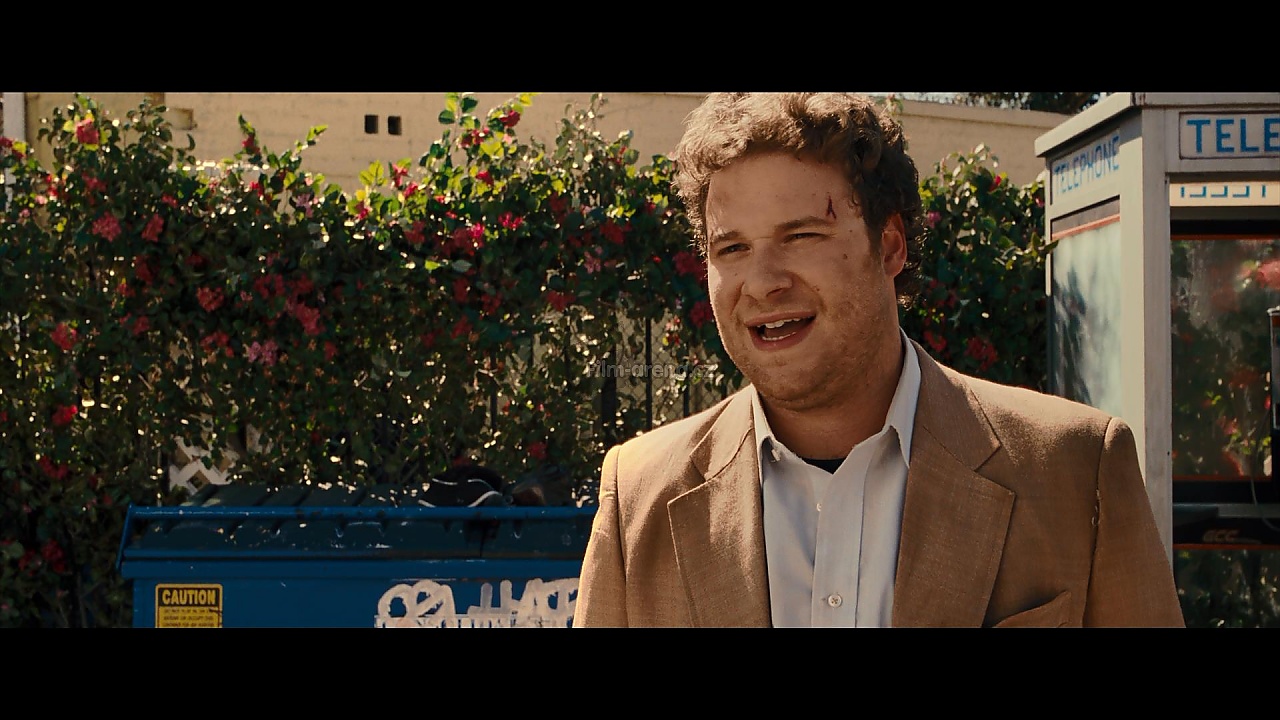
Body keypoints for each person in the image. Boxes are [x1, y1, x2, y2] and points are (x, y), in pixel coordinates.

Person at [572, 92, 1185, 628]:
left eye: (801, 236)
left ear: (890, 246)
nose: (761, 282)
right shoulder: (639, 497)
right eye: (731, 248)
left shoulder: (1076, 470)